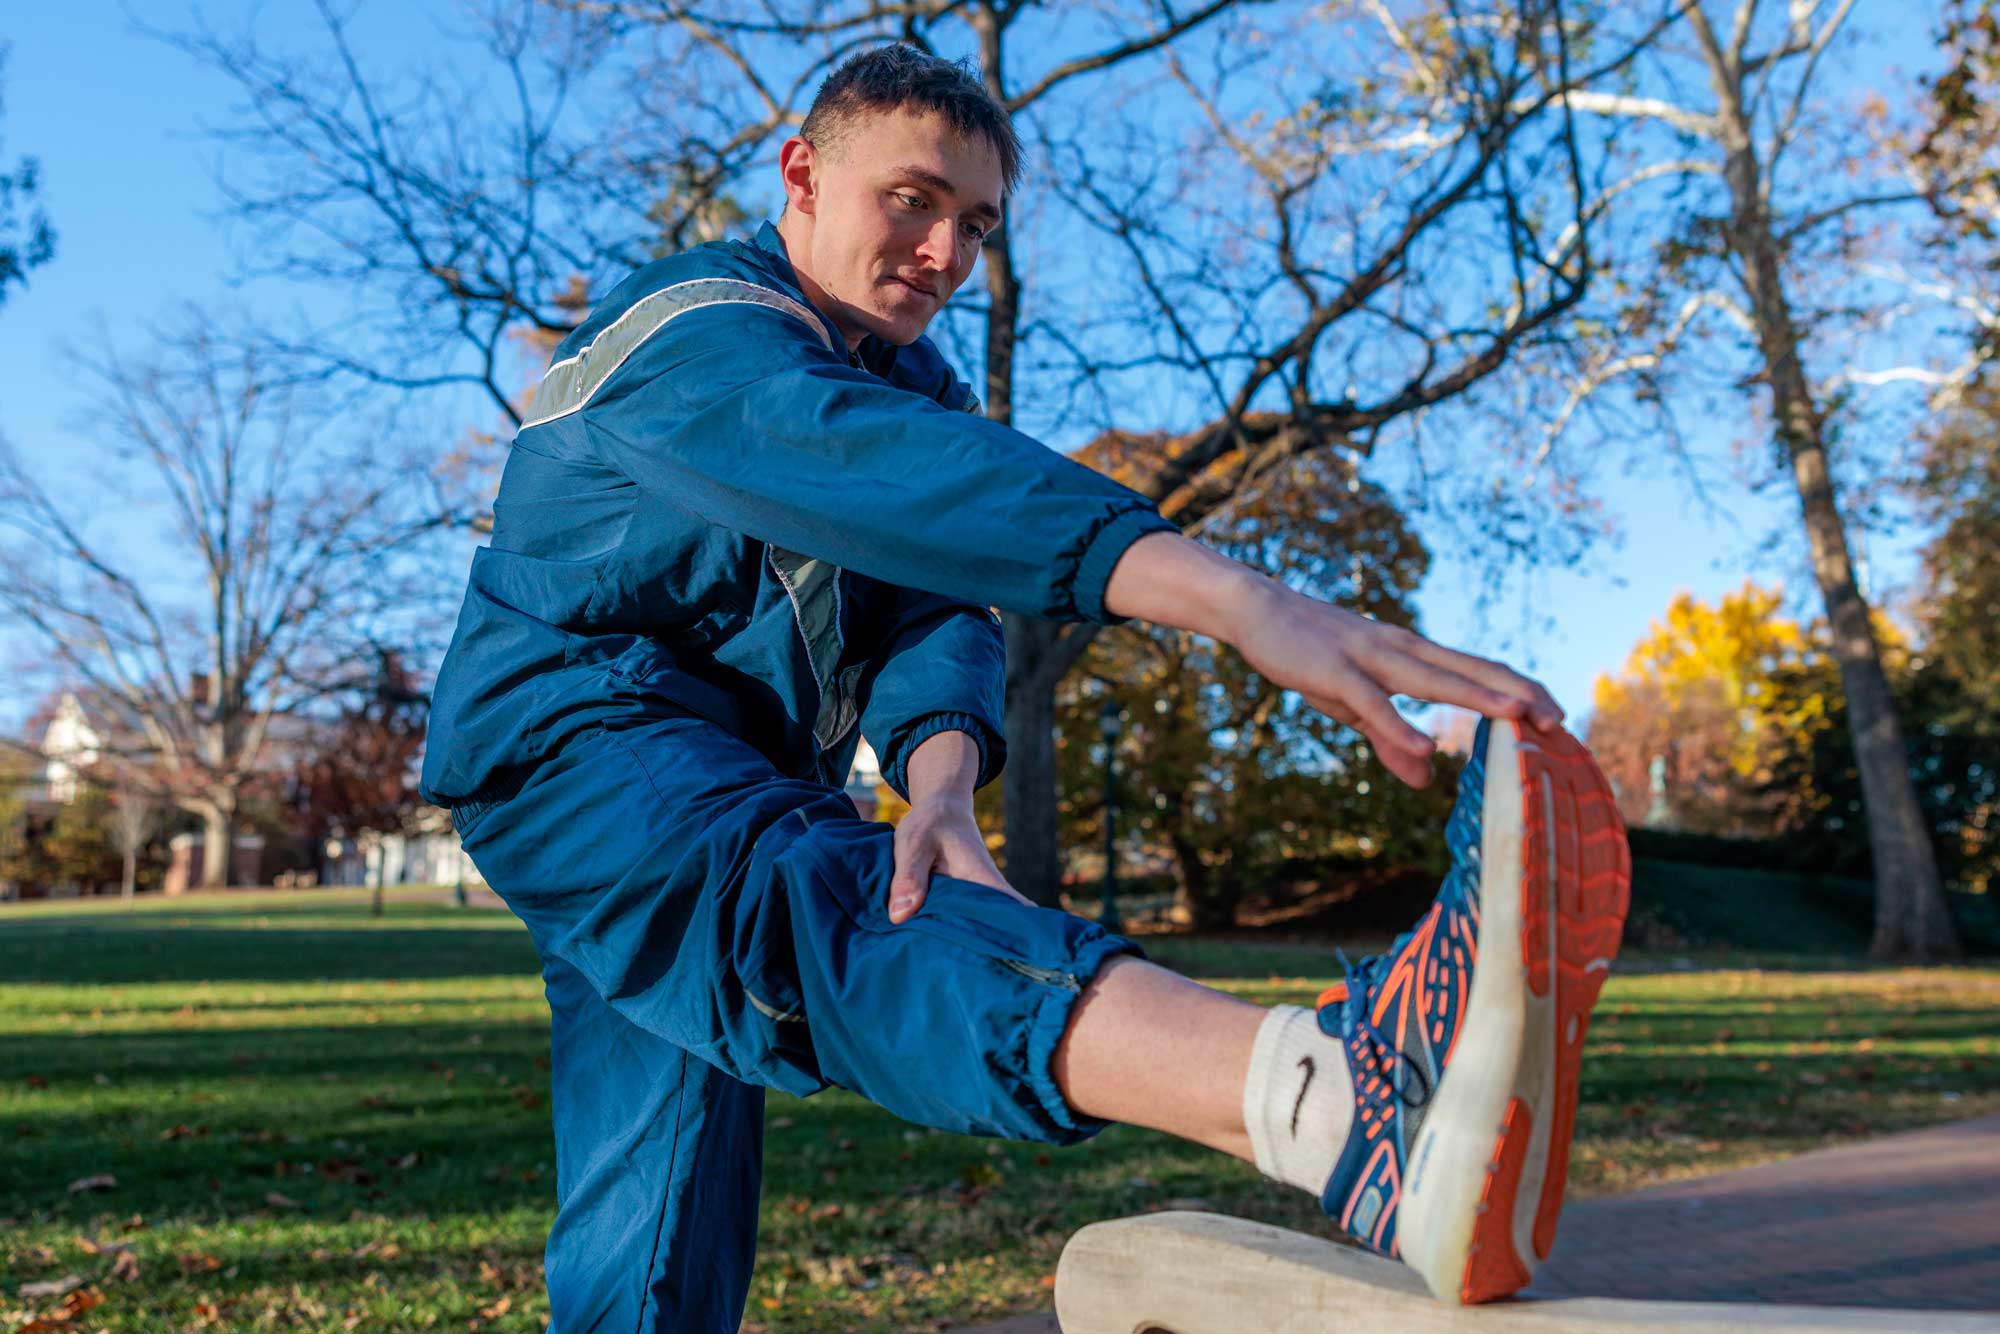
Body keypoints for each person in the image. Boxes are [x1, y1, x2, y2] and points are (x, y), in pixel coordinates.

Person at [418, 42, 1631, 1333]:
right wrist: (1242, 599)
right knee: (824, 906)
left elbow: (934, 601)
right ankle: (1340, 1095)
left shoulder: (911, 380)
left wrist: (942, 777)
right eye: (913, 200)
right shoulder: (693, 331)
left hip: (723, 772)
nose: (944, 253)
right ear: (803, 175)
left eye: (977, 224)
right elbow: (887, 474)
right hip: (578, 746)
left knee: (651, 1195)